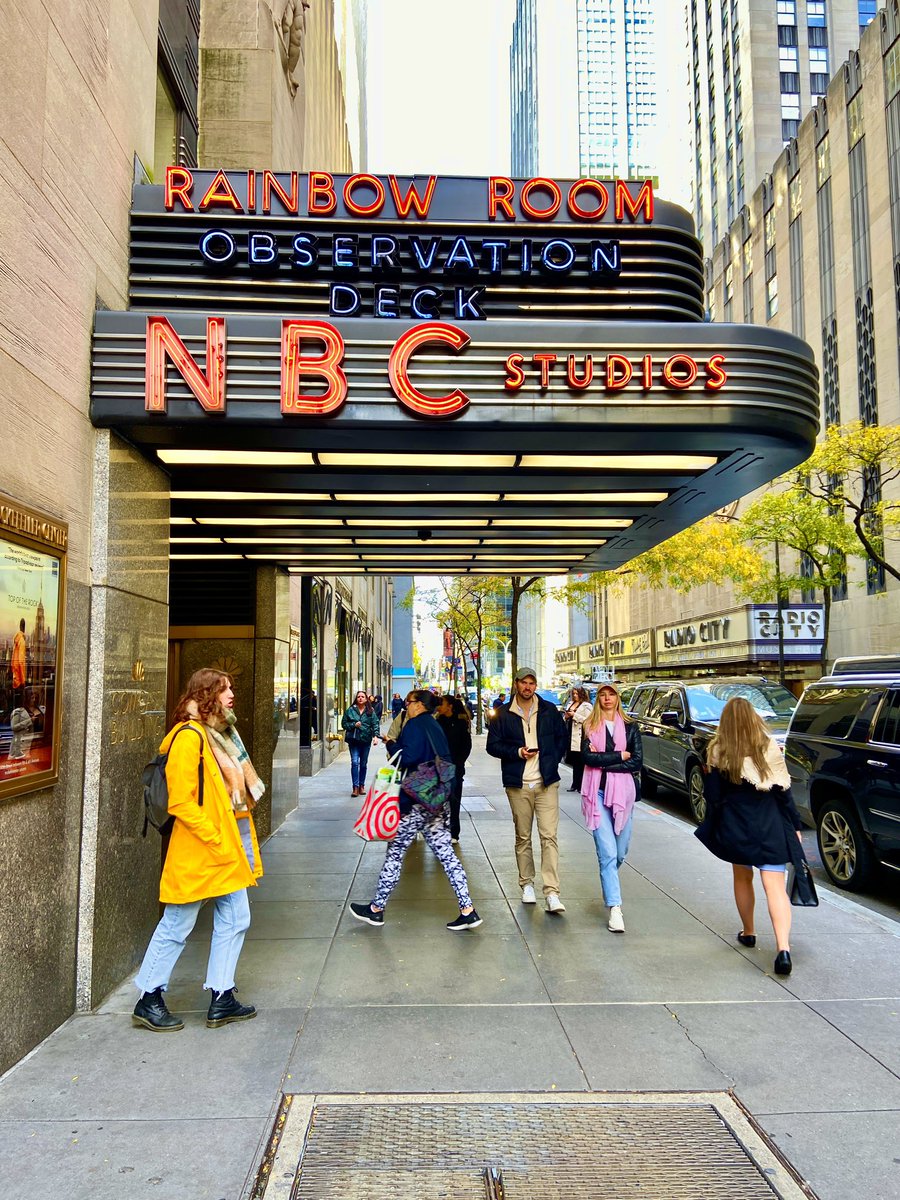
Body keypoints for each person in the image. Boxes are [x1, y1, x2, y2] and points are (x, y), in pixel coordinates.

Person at [132, 669, 263, 1032]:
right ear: (207, 694)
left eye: (232, 687)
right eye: (225, 689)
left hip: (221, 851)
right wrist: (216, 837)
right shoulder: (189, 738)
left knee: (237, 918)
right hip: (200, 849)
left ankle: (222, 997)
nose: (232, 694)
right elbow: (181, 802)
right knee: (177, 922)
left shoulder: (217, 734)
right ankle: (148, 998)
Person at [349, 689, 482, 931]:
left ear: (419, 705)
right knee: (447, 856)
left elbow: (408, 756)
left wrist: (392, 744)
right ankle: (468, 909)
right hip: (436, 799)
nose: (406, 707)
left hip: (415, 800)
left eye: (409, 703)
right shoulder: (434, 725)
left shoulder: (413, 726)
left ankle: (376, 909)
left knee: (395, 852)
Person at [695, 696, 807, 977]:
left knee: (742, 877)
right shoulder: (769, 747)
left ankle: (749, 931)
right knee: (774, 887)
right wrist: (795, 826)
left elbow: (715, 798)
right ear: (754, 718)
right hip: (770, 823)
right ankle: (783, 949)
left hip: (737, 824)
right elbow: (784, 792)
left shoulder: (719, 749)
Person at [486, 667, 568, 912]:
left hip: (546, 783)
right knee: (523, 836)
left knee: (549, 836)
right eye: (524, 682)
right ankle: (527, 884)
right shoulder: (502, 714)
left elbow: (561, 738)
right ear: (516, 684)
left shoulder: (549, 710)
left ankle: (552, 892)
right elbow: (493, 746)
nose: (528, 687)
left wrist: (551, 761)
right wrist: (517, 752)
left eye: (532, 683)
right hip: (518, 784)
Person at [580, 682, 642, 933]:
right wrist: (619, 756)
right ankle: (615, 908)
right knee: (607, 853)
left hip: (623, 796)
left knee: (619, 853)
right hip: (597, 793)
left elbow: (637, 761)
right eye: (603, 695)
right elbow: (586, 758)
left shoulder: (630, 727)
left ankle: (609, 878)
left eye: (611, 694)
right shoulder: (589, 726)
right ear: (598, 699)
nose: (607, 699)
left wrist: (603, 762)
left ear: (617, 698)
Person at [436, 694, 473, 843]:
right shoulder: (438, 721)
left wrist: (458, 762)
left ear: (450, 706)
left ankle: (453, 832)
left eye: (442, 703)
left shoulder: (461, 722)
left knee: (454, 800)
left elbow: (466, 745)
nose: (439, 706)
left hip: (456, 767)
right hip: (440, 766)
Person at [342, 690, 380, 797]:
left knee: (363, 764)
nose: (360, 698)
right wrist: (354, 724)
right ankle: (355, 787)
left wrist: (375, 736)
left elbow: (375, 724)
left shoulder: (370, 711)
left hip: (365, 741)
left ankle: (362, 785)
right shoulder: (350, 710)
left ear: (366, 699)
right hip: (354, 741)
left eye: (362, 696)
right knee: (354, 762)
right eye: (358, 696)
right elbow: (344, 723)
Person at [563, 686, 593, 791]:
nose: (575, 695)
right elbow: (566, 717)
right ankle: (575, 784)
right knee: (575, 761)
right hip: (571, 734)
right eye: (574, 693)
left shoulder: (586, 706)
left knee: (581, 761)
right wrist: (566, 716)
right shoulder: (571, 703)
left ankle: (582, 785)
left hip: (581, 735)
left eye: (577, 693)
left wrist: (574, 715)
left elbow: (589, 720)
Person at [11, 618, 27, 690]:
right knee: (21, 700)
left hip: (15, 675)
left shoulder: (16, 640)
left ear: (20, 626)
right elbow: (21, 662)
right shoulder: (22, 641)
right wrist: (23, 680)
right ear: (24, 627)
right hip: (20, 679)